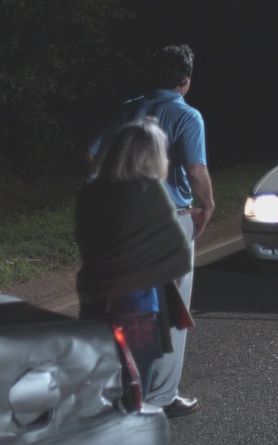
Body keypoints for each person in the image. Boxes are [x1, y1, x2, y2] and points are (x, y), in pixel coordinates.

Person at [88, 44, 214, 418]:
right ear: (186, 80)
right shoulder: (186, 116)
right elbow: (195, 171)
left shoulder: (129, 109)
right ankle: (160, 396)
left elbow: (93, 156)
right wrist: (206, 206)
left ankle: (119, 388)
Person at [76, 118, 193, 399]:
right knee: (134, 394)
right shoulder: (150, 192)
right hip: (137, 311)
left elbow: (84, 241)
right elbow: (178, 260)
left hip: (94, 304)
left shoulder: (90, 193)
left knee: (100, 391)